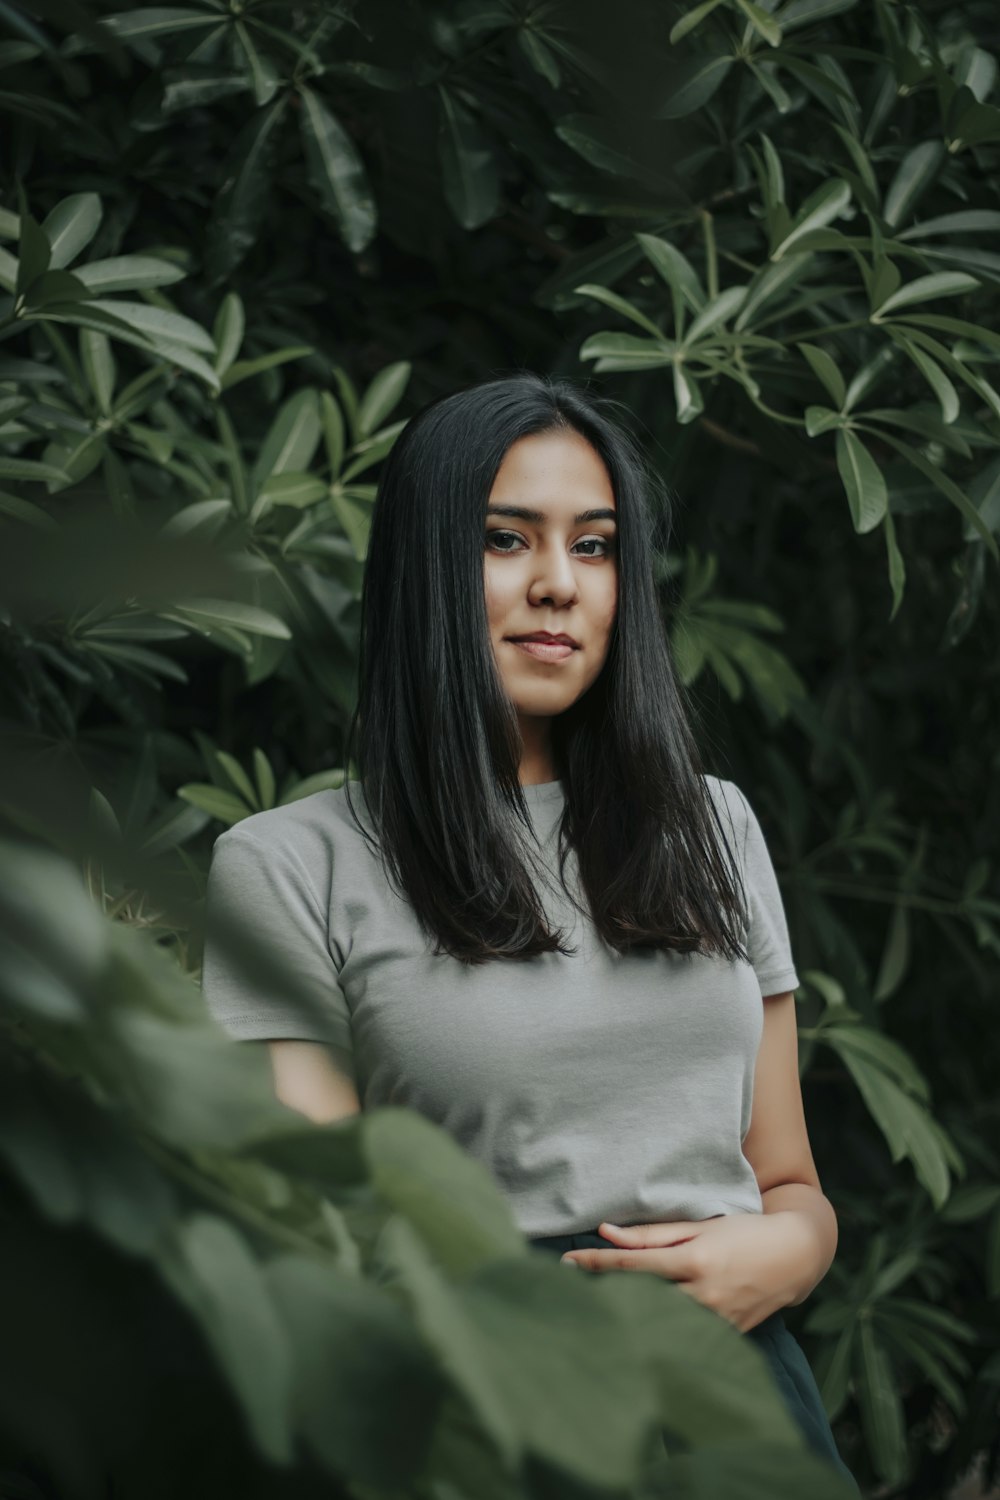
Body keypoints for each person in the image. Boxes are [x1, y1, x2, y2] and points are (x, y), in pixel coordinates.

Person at [201, 373, 858, 1489]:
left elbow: (786, 1179)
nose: (558, 584)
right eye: (506, 539)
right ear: (424, 569)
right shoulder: (287, 863)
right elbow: (321, 1245)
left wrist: (792, 1253)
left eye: (594, 547)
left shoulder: (715, 826)